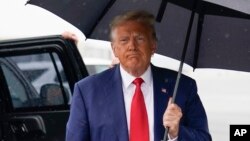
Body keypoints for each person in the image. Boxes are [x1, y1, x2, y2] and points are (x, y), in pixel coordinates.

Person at [65, 10, 212, 141]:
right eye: (124, 40)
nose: (132, 46)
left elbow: (204, 138)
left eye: (140, 38)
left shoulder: (182, 87)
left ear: (153, 45)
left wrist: (177, 133)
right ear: (114, 49)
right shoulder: (87, 91)